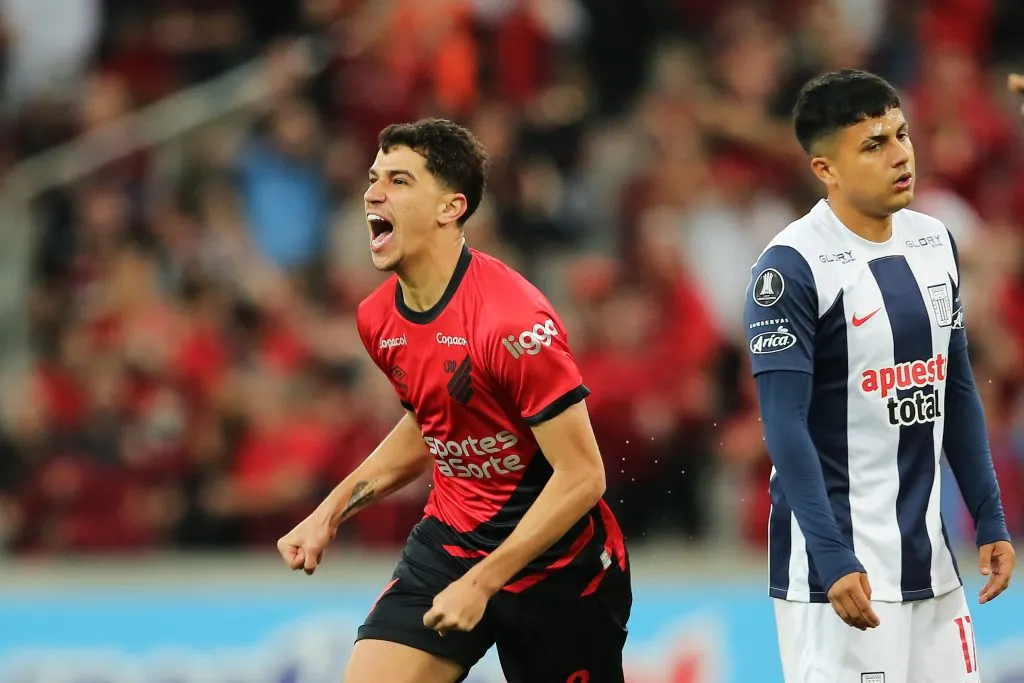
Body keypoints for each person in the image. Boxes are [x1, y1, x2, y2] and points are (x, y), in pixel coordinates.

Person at [276, 118, 631, 683]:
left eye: (398, 180)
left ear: (450, 208)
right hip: (452, 541)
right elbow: (433, 423)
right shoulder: (377, 317)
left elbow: (583, 476)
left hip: (558, 564)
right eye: (373, 177)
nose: (373, 192)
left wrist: (484, 582)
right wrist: (330, 511)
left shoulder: (511, 321)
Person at [743, 69, 1016, 682]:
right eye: (874, 144)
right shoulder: (790, 269)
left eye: (902, 134)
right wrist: (832, 556)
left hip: (932, 568)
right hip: (841, 578)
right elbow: (784, 426)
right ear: (825, 170)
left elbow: (957, 388)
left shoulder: (934, 241)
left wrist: (989, 514)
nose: (900, 155)